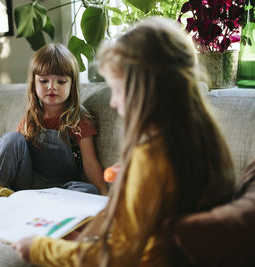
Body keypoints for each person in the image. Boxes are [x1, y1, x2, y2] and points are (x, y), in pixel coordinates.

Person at [12, 17, 236, 267]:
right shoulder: (200, 139)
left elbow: (115, 256)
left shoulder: (151, 158)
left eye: (117, 90)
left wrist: (40, 249)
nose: (113, 102)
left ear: (144, 90)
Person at [0, 43, 107, 218]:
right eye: (44, 80)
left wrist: (106, 195)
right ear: (34, 84)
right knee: (13, 137)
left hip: (59, 188)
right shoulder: (32, 117)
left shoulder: (78, 118)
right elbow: (12, 148)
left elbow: (90, 163)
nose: (51, 86)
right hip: (26, 181)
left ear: (72, 84)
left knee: (89, 190)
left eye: (60, 81)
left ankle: (29, 205)